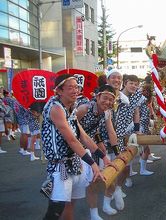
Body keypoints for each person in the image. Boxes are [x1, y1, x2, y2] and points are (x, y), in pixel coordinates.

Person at [41, 74, 111, 220]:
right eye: (70, 87)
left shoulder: (71, 107)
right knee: (56, 208)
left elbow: (83, 136)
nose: (75, 90)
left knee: (70, 203)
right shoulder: (56, 108)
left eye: (77, 87)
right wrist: (93, 164)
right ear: (59, 91)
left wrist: (103, 157)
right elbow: (72, 140)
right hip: (59, 165)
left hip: (74, 161)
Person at [76, 84, 123, 219]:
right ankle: (94, 214)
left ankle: (106, 205)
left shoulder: (107, 112)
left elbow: (111, 132)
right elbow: (72, 130)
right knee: (90, 182)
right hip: (77, 149)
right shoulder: (84, 109)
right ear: (97, 96)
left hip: (93, 147)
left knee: (107, 177)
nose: (108, 102)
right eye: (105, 98)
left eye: (111, 100)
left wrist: (117, 152)